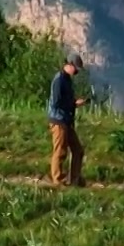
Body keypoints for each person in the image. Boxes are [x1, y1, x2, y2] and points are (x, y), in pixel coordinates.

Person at [47, 53, 88, 187]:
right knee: (60, 151)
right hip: (58, 120)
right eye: (75, 68)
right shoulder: (59, 80)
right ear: (69, 65)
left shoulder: (67, 80)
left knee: (78, 150)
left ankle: (75, 179)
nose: (76, 72)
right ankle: (57, 180)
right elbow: (58, 102)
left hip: (66, 120)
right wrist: (74, 104)